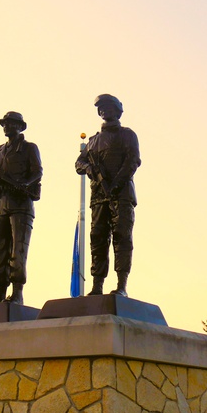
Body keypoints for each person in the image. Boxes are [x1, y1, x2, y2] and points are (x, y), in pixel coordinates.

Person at [75, 94, 140, 297]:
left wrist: (114, 185)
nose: (105, 111)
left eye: (109, 107)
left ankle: (121, 286)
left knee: (122, 238)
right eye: (101, 108)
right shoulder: (93, 141)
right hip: (98, 198)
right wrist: (89, 170)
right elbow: (79, 163)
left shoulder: (127, 135)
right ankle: (97, 285)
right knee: (98, 240)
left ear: (117, 110)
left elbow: (132, 161)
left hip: (121, 196)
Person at [0, 111, 42, 305]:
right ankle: (0, 292)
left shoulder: (28, 148)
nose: (6, 127)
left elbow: (37, 172)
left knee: (18, 250)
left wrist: (24, 185)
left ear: (20, 126)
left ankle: (17, 293)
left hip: (20, 206)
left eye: (10, 123)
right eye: (4, 124)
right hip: (0, 205)